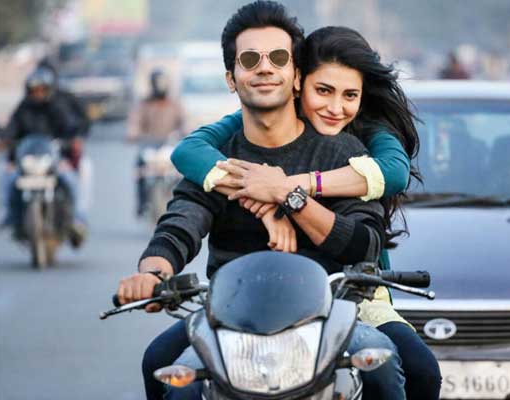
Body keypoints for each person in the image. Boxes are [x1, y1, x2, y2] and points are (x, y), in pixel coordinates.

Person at [116, 2, 406, 399]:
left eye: (279, 58)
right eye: (250, 60)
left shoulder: (342, 152)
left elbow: (365, 243)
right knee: (163, 369)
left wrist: (291, 197)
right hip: (230, 319)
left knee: (386, 367)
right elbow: (179, 224)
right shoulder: (218, 160)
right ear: (231, 79)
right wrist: (152, 273)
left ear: (297, 76)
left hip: (329, 316)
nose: (265, 68)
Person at [170, 26, 442, 400]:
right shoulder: (253, 127)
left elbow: (394, 173)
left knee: (420, 370)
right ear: (298, 83)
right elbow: (188, 152)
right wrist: (265, 202)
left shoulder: (362, 134)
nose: (336, 107)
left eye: (350, 95)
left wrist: (287, 189)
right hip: (248, 302)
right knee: (163, 367)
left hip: (350, 295)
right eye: (323, 91)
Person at [0, 66, 87, 244]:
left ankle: (78, 218)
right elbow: (11, 130)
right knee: (6, 174)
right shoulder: (23, 109)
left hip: (55, 159)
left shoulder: (57, 108)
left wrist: (72, 141)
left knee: (71, 179)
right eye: (34, 90)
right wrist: (4, 141)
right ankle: (9, 214)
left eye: (41, 90)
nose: (38, 94)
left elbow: (69, 128)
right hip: (28, 161)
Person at [127, 69, 185, 216]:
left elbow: (185, 122)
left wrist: (186, 131)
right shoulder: (144, 104)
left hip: (169, 146)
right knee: (140, 172)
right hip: (149, 147)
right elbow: (135, 122)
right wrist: (133, 133)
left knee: (183, 170)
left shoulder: (174, 104)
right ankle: (141, 203)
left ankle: (183, 202)